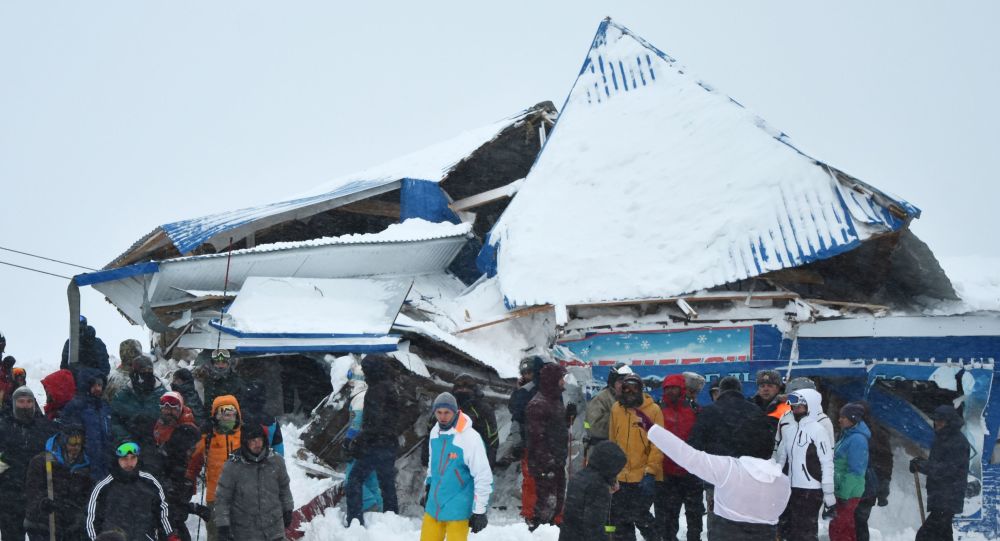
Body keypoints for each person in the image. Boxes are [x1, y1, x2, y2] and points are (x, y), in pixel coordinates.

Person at [633, 407, 791, 541]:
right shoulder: (783, 481)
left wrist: (652, 430)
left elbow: (688, 456)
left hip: (727, 533)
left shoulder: (730, 469)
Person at [420, 392, 493, 541]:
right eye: (439, 412)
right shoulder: (435, 432)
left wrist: (479, 510)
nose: (442, 417)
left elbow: (482, 475)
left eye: (447, 412)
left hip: (458, 508)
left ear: (456, 411)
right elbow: (432, 463)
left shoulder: (470, 438)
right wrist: (428, 487)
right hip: (434, 506)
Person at [343, 355, 400, 527]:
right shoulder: (391, 386)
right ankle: (392, 522)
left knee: (353, 480)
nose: (365, 375)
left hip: (376, 444)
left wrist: (358, 442)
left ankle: (355, 521)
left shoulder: (376, 390)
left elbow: (373, 424)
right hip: (389, 443)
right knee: (387, 484)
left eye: (367, 371)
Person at [214, 423, 294, 541]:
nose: (257, 444)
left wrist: (288, 509)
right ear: (245, 442)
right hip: (245, 532)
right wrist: (223, 525)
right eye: (252, 440)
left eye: (259, 439)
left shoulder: (276, 461)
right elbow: (222, 499)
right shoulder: (233, 466)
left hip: (274, 528)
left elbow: (284, 487)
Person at [608, 373, 664, 541]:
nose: (630, 392)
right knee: (621, 521)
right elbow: (612, 440)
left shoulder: (653, 410)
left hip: (642, 477)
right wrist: (610, 471)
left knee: (641, 517)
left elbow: (658, 444)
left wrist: (651, 471)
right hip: (620, 477)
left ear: (640, 390)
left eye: (634, 388)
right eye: (626, 388)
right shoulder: (616, 409)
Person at [774, 389, 835, 541]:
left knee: (806, 532)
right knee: (791, 530)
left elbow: (827, 463)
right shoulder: (790, 430)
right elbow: (780, 458)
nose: (795, 410)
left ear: (810, 406)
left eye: (799, 406)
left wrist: (829, 493)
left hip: (812, 489)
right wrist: (774, 477)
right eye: (793, 407)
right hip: (792, 488)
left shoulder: (818, 430)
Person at [85, 440, 176, 541]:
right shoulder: (104, 487)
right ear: (117, 460)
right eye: (124, 459)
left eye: (133, 458)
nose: (129, 463)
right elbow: (91, 521)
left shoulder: (149, 482)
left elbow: (163, 512)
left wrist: (170, 535)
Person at [0, 386, 55, 541]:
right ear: (13, 403)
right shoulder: (3, 426)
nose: (25, 405)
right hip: (9, 494)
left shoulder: (44, 426)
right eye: (21, 401)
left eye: (29, 401)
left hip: (38, 494)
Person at [186, 395, 243, 541]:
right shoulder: (208, 437)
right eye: (223, 414)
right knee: (216, 535)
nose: (228, 418)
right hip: (215, 496)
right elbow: (192, 459)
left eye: (231, 414)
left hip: (242, 495)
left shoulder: (245, 436)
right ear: (215, 416)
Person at [910, 405, 971, 541]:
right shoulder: (942, 438)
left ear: (949, 422)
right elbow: (939, 463)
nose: (937, 423)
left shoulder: (958, 442)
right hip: (941, 496)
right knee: (943, 535)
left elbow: (948, 469)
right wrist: (920, 462)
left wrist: (923, 466)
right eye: (936, 420)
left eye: (941, 421)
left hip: (948, 497)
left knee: (924, 536)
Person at [24, 423, 93, 541]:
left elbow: (86, 496)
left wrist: (78, 515)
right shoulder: (42, 461)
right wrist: (42, 502)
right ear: (64, 442)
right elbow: (32, 490)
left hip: (69, 525)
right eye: (72, 442)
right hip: (42, 523)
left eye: (79, 442)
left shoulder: (85, 467)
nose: (76, 447)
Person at [497, 356, 544, 524]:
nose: (526, 376)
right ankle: (532, 514)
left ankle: (534, 514)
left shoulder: (533, 390)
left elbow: (516, 414)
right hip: (533, 442)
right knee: (532, 480)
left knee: (535, 480)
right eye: (523, 373)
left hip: (540, 442)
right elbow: (516, 415)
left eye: (529, 372)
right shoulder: (529, 390)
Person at [656, 374, 703, 541]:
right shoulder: (657, 411)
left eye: (673, 388)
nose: (670, 392)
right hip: (667, 473)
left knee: (694, 515)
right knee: (668, 517)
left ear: (681, 389)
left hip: (691, 472)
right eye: (667, 388)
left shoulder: (696, 410)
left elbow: (702, 438)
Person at [525, 363, 569, 528]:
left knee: (556, 503)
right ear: (553, 380)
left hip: (556, 461)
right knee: (545, 507)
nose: (563, 382)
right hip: (545, 465)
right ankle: (539, 533)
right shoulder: (538, 404)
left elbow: (555, 429)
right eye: (561, 379)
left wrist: (568, 417)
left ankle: (547, 530)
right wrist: (548, 462)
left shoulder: (554, 400)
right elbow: (536, 438)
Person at [690, 376, 773, 459]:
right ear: (740, 390)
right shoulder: (755, 410)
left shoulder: (707, 412)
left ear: (721, 391)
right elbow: (766, 443)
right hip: (747, 466)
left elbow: (697, 444)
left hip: (718, 465)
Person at [559, 440, 627, 541]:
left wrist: (609, 482)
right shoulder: (598, 487)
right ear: (610, 467)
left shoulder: (579, 476)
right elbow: (594, 527)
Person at [61, 367, 114, 480]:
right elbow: (68, 432)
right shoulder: (76, 406)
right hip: (85, 464)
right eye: (94, 385)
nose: (97, 388)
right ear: (86, 385)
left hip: (106, 462)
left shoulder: (104, 407)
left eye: (100, 385)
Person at [829, 403, 870, 541]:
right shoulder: (848, 435)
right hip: (842, 490)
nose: (839, 420)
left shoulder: (857, 439)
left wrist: (844, 495)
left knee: (838, 529)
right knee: (845, 528)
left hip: (848, 493)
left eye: (843, 417)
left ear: (853, 419)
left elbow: (856, 471)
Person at [854, 401, 892, 541]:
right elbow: (887, 462)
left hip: (866, 485)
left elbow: (885, 462)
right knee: (859, 522)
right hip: (866, 486)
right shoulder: (876, 433)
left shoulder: (872, 434)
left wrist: (883, 486)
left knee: (857, 522)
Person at [110, 355, 166, 449]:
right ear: (134, 374)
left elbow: (173, 419)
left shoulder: (163, 395)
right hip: (129, 448)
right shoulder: (122, 396)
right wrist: (125, 438)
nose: (146, 376)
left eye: (149, 371)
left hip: (156, 447)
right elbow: (114, 421)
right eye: (143, 372)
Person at [774, 377, 834, 461]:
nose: (795, 403)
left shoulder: (822, 421)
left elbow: (828, 454)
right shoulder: (785, 418)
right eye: (792, 399)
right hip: (782, 471)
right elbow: (777, 447)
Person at [451, 373, 499, 468]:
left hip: (475, 457)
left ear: (473, 388)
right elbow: (434, 430)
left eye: (467, 386)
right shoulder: (449, 407)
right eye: (459, 386)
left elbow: (492, 438)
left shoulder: (483, 409)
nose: (463, 390)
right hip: (451, 457)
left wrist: (489, 462)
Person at [584, 363, 632, 447]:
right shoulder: (601, 399)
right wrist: (619, 419)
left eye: (627, 382)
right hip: (604, 450)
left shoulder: (631, 399)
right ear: (613, 382)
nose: (624, 385)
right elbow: (593, 428)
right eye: (620, 382)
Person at [196, 349, 245, 422]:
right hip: (210, 422)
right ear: (212, 364)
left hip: (230, 421)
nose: (220, 366)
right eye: (217, 362)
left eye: (224, 362)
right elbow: (204, 404)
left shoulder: (236, 381)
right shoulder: (207, 381)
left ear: (229, 364)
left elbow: (241, 406)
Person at [61, 315, 111, 380]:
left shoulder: (97, 343)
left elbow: (105, 369)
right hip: (75, 382)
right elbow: (64, 366)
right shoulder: (69, 343)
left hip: (94, 383)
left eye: (80, 329)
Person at [241, 380, 284, 455]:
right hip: (265, 463)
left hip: (241, 464)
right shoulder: (272, 421)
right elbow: (279, 452)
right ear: (263, 398)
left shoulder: (237, 419)